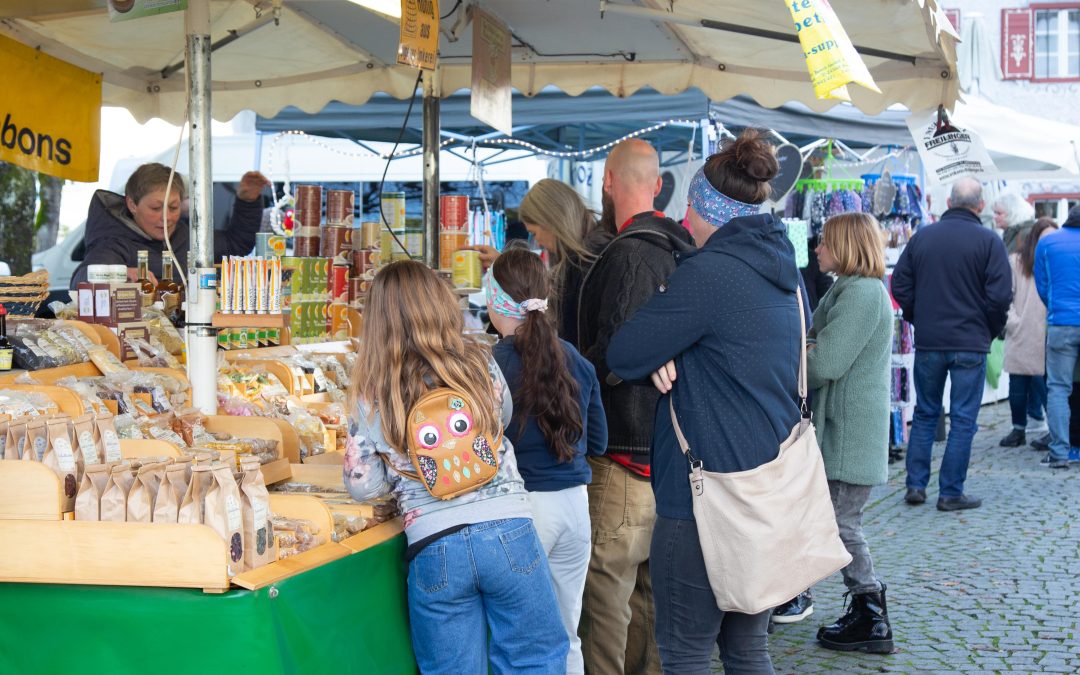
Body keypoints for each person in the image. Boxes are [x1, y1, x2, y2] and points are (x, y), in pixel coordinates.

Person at [605, 129, 799, 674]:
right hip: (763, 490)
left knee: (686, 651)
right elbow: (731, 356)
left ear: (710, 212)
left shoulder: (709, 274)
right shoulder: (783, 273)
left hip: (701, 496)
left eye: (691, 209)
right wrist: (678, 351)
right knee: (747, 649)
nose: (685, 222)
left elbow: (624, 351)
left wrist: (667, 349)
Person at [343, 260, 567, 673]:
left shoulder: (372, 391)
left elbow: (363, 485)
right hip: (508, 528)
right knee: (534, 659)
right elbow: (500, 417)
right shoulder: (479, 362)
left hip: (434, 543)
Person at [575, 138, 694, 675]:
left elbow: (616, 353)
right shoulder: (682, 247)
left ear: (607, 180)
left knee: (605, 599)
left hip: (623, 455)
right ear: (659, 186)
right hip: (666, 455)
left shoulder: (627, 253)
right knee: (646, 597)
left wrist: (573, 365)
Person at [488, 248, 608, 675]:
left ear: (495, 299)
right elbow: (598, 441)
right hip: (576, 508)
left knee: (523, 638)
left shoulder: (491, 367)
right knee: (566, 632)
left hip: (525, 512)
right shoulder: (576, 359)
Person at [802, 213, 895, 653]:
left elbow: (824, 365)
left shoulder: (860, 294)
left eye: (824, 242)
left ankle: (871, 614)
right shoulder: (850, 289)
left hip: (849, 433)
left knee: (842, 525)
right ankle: (862, 611)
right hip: (844, 429)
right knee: (837, 522)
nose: (817, 249)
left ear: (845, 246)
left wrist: (804, 348)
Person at [892, 177, 1012, 510]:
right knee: (962, 419)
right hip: (970, 342)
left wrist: (920, 316)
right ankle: (950, 492)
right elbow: (1001, 296)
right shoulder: (989, 241)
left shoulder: (922, 238)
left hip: (931, 340)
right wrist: (988, 328)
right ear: (981, 206)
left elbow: (900, 285)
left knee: (926, 413)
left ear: (948, 203)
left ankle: (915, 485)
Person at [71, 163, 270, 287]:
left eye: (173, 207)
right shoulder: (113, 243)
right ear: (132, 204)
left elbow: (237, 243)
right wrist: (122, 274)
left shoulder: (188, 237)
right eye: (156, 208)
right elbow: (80, 279)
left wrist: (248, 201)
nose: (166, 217)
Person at [517, 178, 613, 346]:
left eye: (534, 232)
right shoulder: (592, 251)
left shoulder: (585, 262)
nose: (537, 242)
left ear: (551, 223)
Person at [999, 218, 1058, 449]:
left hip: (1046, 330)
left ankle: (1054, 431)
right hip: (1021, 331)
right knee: (1017, 384)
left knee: (1047, 385)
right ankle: (1018, 429)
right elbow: (1004, 295)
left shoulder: (1056, 259)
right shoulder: (1015, 261)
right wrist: (1013, 322)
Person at [1034, 205, 1080, 469]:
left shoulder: (1049, 243)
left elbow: (1042, 285)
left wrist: (1055, 307)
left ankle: (1059, 452)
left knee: (1059, 389)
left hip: (1061, 322)